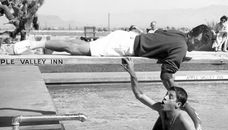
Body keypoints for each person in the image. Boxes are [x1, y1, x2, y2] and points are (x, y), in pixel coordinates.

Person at [13, 24, 212, 91]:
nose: (197, 47)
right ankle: (35, 43)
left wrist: (176, 56)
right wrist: (177, 95)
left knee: (80, 47)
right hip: (124, 46)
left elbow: (160, 35)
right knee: (78, 48)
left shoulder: (179, 35)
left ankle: (39, 43)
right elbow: (166, 76)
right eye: (199, 42)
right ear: (194, 35)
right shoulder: (182, 45)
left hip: (127, 38)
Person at [121, 57, 204, 130]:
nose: (164, 98)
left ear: (178, 105)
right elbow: (140, 95)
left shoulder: (183, 120)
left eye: (169, 97)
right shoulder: (162, 110)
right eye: (165, 95)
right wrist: (132, 73)